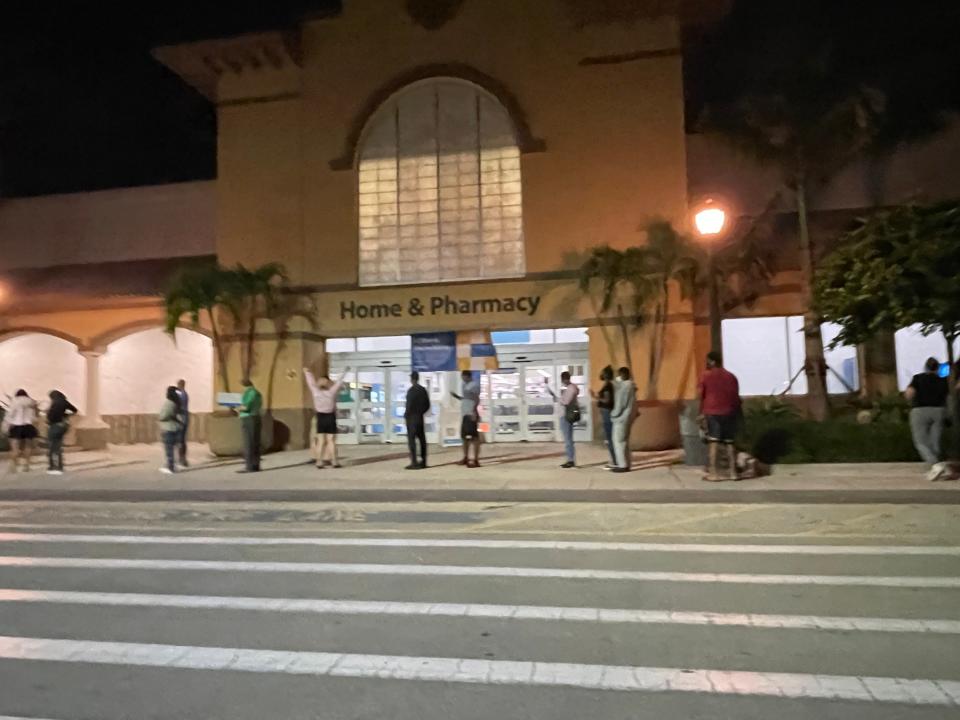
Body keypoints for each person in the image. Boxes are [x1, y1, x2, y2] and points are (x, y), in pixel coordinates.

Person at [698, 351, 741, 481]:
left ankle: (713, 473)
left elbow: (701, 395)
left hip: (712, 411)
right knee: (730, 442)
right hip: (730, 412)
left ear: (712, 361)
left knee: (713, 441)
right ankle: (733, 473)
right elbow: (736, 397)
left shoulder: (705, 376)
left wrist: (700, 413)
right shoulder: (731, 376)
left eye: (708, 361)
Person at [905, 357, 948, 475]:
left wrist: (909, 400)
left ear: (926, 367)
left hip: (920, 410)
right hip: (939, 411)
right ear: (938, 368)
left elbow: (909, 393)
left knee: (921, 441)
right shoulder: (943, 380)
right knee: (935, 440)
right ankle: (936, 467)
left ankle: (935, 464)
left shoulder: (918, 378)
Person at [304, 365, 352, 469]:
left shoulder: (316, 392)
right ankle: (334, 461)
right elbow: (339, 382)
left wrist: (307, 372)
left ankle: (319, 462)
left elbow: (311, 383)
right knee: (331, 441)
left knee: (321, 441)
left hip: (320, 417)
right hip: (330, 417)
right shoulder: (331, 392)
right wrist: (345, 371)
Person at [547, 371, 580, 468]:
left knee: (568, 440)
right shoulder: (572, 388)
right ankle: (570, 459)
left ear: (564, 379)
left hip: (566, 416)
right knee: (568, 439)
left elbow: (565, 402)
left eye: (562, 379)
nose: (562, 382)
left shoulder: (570, 388)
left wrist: (557, 397)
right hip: (566, 415)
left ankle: (570, 460)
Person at [450, 370, 481, 468]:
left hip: (470, 413)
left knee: (474, 437)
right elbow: (465, 398)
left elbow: (476, 399)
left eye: (463, 377)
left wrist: (474, 411)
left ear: (468, 376)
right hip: (465, 414)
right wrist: (457, 397)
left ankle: (475, 460)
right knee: (464, 437)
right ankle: (466, 457)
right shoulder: (464, 385)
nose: (462, 379)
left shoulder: (474, 385)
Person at [609, 367, 636, 473]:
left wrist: (613, 414)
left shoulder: (625, 387)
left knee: (618, 442)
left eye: (619, 375)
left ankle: (622, 465)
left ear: (623, 375)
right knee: (625, 442)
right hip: (627, 417)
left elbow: (620, 404)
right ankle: (627, 464)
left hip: (621, 418)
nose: (618, 377)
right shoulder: (631, 386)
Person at [46, 390, 77, 475]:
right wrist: (66, 415)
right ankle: (60, 466)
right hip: (63, 425)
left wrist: (47, 416)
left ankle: (52, 466)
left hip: (54, 426)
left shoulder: (54, 403)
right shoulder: (64, 402)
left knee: (52, 446)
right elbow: (74, 410)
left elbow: (50, 417)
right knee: (58, 446)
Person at [7, 389, 39, 473]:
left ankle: (14, 467)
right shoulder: (32, 402)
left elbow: (10, 415)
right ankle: (27, 466)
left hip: (16, 426)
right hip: (28, 426)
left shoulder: (15, 401)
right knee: (28, 447)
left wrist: (7, 426)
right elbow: (36, 416)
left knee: (15, 448)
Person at [404, 371, 431, 469]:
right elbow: (427, 405)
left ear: (412, 379)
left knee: (412, 440)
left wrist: (407, 415)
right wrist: (421, 412)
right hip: (419, 418)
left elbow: (409, 405)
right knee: (422, 440)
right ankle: (423, 462)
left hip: (411, 418)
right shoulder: (423, 390)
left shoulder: (411, 390)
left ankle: (414, 462)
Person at [238, 378, 263, 473]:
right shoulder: (258, 393)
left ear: (244, 385)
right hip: (256, 416)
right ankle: (256, 465)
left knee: (249, 443)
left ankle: (249, 467)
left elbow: (246, 406)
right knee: (255, 443)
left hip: (248, 418)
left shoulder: (249, 393)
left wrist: (237, 408)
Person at [593, 366, 616, 468]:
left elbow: (607, 400)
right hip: (606, 412)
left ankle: (614, 461)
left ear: (606, 375)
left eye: (603, 373)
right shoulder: (608, 385)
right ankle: (614, 459)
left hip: (607, 413)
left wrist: (596, 397)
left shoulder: (608, 386)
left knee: (609, 438)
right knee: (609, 437)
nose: (601, 375)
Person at [157, 386, 182, 475]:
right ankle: (172, 465)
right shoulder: (177, 402)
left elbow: (163, 416)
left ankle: (170, 467)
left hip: (168, 428)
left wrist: (160, 417)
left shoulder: (168, 403)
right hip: (175, 427)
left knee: (169, 448)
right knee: (173, 447)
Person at [175, 379, 190, 467]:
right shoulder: (184, 394)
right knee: (182, 440)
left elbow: (181, 407)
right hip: (184, 418)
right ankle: (182, 459)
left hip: (182, 418)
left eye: (178, 385)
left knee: (181, 440)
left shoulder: (182, 395)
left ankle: (182, 459)